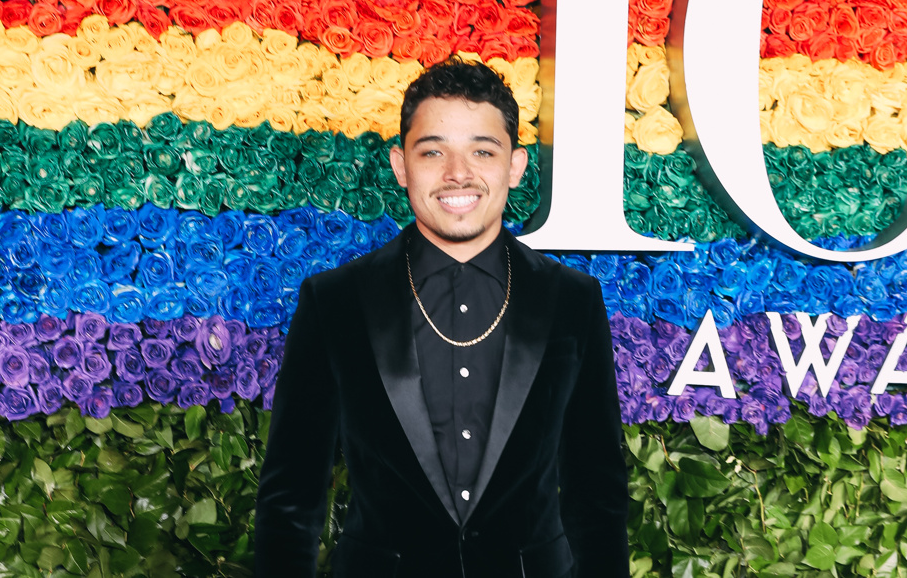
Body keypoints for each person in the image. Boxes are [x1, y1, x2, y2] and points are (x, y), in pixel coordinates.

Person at [254, 58, 629, 578]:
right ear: (400, 165)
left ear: (516, 167)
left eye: (482, 150)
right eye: (433, 151)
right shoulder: (334, 301)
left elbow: (598, 495)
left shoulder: (573, 300)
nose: (459, 173)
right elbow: (291, 498)